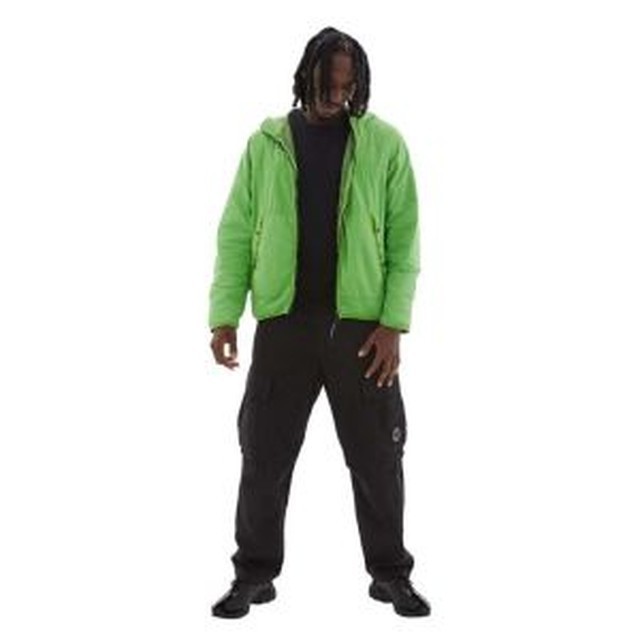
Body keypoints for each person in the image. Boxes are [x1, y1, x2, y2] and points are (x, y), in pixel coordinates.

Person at [207, 26, 431, 618]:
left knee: (378, 457)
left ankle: (390, 574)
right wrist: (224, 316)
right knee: (263, 454)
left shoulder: (385, 145)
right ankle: (253, 575)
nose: (338, 95)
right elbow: (236, 234)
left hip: (361, 331)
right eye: (329, 83)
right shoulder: (267, 144)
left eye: (348, 85)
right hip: (283, 325)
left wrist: (393, 324)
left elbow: (405, 241)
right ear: (306, 75)